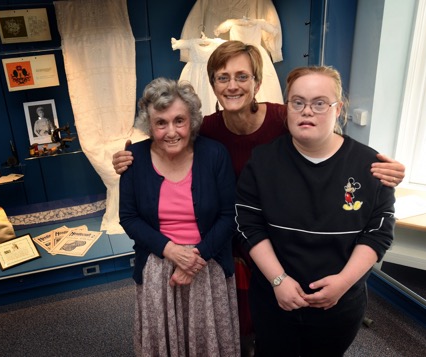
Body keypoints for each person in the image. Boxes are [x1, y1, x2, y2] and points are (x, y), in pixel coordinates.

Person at [113, 41, 405, 356]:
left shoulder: (284, 118)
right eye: (223, 77)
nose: (232, 85)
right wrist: (129, 158)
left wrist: (378, 166)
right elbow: (169, 131)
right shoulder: (207, 129)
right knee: (248, 327)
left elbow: (328, 140)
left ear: (258, 82)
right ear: (212, 84)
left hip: (266, 240)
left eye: (242, 76)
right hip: (240, 238)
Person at [235, 65, 395, 356]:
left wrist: (343, 283)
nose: (307, 111)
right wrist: (279, 280)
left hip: (339, 304)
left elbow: (378, 233)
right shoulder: (263, 162)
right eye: (298, 102)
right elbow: (248, 224)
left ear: (338, 108)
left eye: (320, 103)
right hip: (274, 299)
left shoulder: (371, 167)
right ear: (287, 108)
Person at [119, 77, 240, 356]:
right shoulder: (134, 159)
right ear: (149, 125)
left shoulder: (214, 154)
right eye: (161, 123)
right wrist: (172, 251)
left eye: (179, 121)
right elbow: (129, 217)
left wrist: (194, 260)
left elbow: (228, 215)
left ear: (192, 121)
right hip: (159, 268)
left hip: (207, 265)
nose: (171, 131)